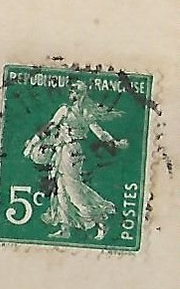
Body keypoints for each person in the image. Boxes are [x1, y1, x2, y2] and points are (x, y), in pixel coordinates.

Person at [22, 80, 129, 241]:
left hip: (69, 152)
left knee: (73, 191)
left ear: (79, 94)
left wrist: (32, 144)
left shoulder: (72, 111)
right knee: (61, 191)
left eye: (74, 92)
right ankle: (65, 229)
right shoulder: (79, 112)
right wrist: (115, 142)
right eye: (72, 92)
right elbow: (99, 133)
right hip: (65, 151)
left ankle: (100, 221)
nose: (72, 95)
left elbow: (50, 128)